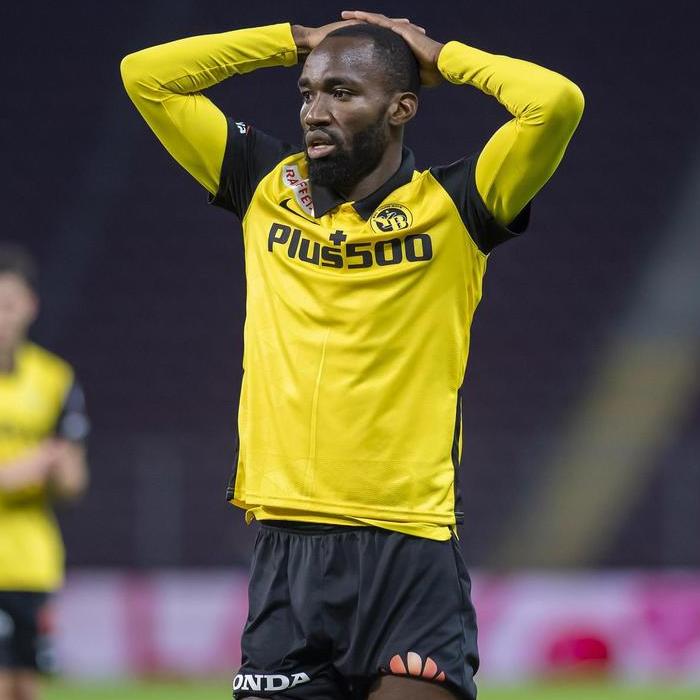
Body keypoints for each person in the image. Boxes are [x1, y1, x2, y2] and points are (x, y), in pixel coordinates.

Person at [121, 9, 583, 699]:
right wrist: (295, 42)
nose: (316, 110)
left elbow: (555, 103)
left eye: (343, 92)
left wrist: (442, 56)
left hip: (408, 546)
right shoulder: (263, 184)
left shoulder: (460, 204)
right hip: (286, 545)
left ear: (401, 108)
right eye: (308, 92)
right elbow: (147, 77)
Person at [0, 245, 89, 700]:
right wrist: (30, 466)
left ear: (30, 306)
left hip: (32, 565)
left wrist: (59, 469)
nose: (1, 317)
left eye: (8, 304)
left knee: (24, 687)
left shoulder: (55, 379)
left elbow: (73, 483)